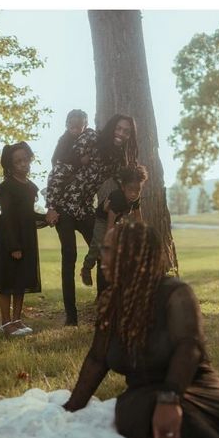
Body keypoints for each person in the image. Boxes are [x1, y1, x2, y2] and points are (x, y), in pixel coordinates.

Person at [65, 222, 219, 438]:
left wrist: (169, 399)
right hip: (144, 401)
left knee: (152, 410)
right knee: (134, 410)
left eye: (109, 249)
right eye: (102, 249)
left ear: (134, 254)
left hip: (203, 398)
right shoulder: (111, 302)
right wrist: (71, 409)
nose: (102, 257)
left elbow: (189, 347)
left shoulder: (176, 292)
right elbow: (97, 359)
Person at [45, 114, 138, 326]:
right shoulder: (90, 139)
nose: (121, 134)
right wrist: (50, 206)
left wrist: (124, 200)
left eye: (126, 132)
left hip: (86, 208)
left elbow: (124, 184)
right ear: (112, 127)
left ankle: (105, 311)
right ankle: (71, 316)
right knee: (70, 254)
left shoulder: (117, 158)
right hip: (64, 206)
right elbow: (59, 168)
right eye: (119, 128)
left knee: (101, 252)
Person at [0, 142, 43, 337]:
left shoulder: (30, 187)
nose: (23, 164)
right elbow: (10, 217)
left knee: (21, 280)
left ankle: (17, 320)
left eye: (25, 159)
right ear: (10, 166)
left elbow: (29, 215)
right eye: (18, 161)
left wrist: (47, 217)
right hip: (9, 236)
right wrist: (13, 246)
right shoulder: (6, 188)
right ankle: (5, 323)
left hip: (26, 236)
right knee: (7, 281)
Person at [80, 164, 147, 289]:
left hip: (118, 219)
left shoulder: (136, 199)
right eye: (130, 190)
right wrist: (109, 241)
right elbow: (109, 224)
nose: (134, 194)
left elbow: (139, 218)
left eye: (137, 191)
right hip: (103, 219)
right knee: (98, 244)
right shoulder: (117, 199)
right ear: (123, 187)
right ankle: (86, 267)